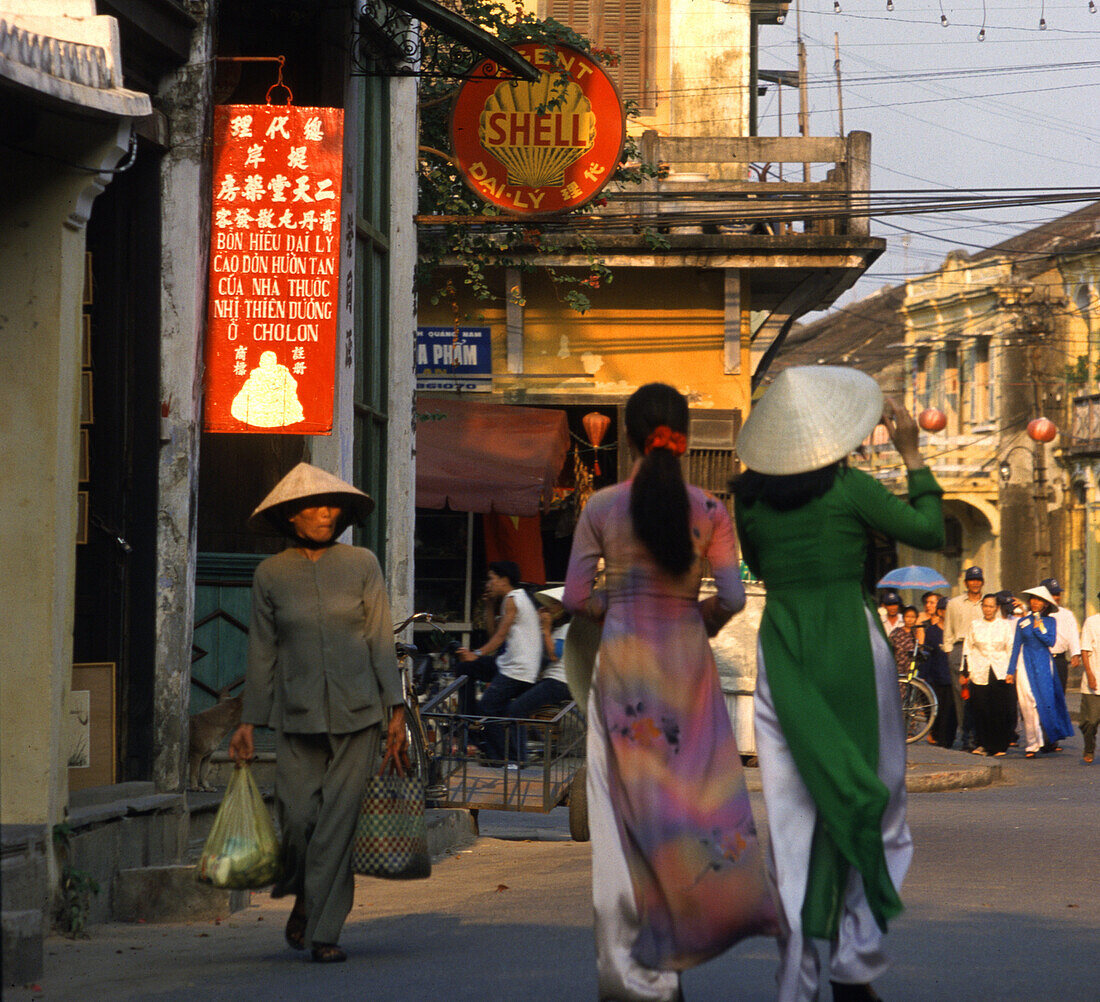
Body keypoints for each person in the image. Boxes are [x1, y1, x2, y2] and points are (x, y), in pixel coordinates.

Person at [732, 365, 944, 1002]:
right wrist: (911, 453)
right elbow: (930, 531)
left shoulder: (748, 501)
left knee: (793, 820)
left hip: (784, 648)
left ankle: (796, 981)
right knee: (877, 801)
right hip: (851, 645)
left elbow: (765, 565)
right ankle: (855, 960)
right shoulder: (850, 488)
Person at [563, 382, 776, 1002]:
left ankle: (631, 976)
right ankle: (679, 951)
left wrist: (619, 604)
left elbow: (576, 599)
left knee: (618, 823)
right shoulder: (710, 510)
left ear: (628, 437)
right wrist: (693, 617)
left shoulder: (601, 508)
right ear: (683, 438)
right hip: (687, 672)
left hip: (624, 674)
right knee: (689, 812)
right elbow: (734, 598)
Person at [228, 462, 406, 964]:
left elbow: (378, 638)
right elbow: (262, 652)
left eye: (331, 505)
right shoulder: (271, 575)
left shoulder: (363, 564)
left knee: (337, 823)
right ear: (290, 517)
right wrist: (247, 721)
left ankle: (325, 930)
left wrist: (395, 709)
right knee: (300, 816)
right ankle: (307, 892)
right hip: (296, 713)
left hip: (360, 712)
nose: (325, 512)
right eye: (313, 505)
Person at [457, 561, 542, 763]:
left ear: (504, 579)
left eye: (492, 578)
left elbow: (500, 636)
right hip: (507, 663)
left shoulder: (513, 599)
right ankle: (469, 718)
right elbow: (493, 633)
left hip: (517, 669)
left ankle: (502, 758)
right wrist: (488, 605)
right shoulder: (509, 600)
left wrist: (476, 653)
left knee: (487, 708)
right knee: (464, 667)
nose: (489, 583)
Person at [1006, 585, 1074, 759]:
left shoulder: (1051, 622)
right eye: (1033, 599)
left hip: (1043, 662)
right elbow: (1016, 647)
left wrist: (1038, 625)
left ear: (1045, 604)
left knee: (1041, 701)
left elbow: (1049, 641)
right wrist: (1010, 670)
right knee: (1026, 702)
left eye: (1039, 600)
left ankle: (1047, 737)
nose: (1035, 603)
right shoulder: (1022, 622)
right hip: (1024, 662)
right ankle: (1032, 744)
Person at [961, 595, 1016, 756]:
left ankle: (999, 745)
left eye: (991, 606)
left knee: (1000, 708)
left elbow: (1011, 648)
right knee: (981, 708)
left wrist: (1011, 671)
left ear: (997, 608)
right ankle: (983, 744)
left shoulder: (1004, 626)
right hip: (979, 670)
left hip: (1000, 670)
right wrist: (967, 671)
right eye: (985, 606)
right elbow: (968, 648)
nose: (988, 609)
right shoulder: (975, 625)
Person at [944, 566, 985, 751]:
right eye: (971, 580)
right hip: (960, 649)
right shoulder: (954, 603)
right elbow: (948, 632)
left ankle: (980, 735)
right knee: (961, 696)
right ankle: (965, 735)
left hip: (982, 651)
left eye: (978, 580)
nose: (975, 583)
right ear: (966, 583)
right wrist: (950, 653)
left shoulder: (988, 603)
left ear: (982, 582)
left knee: (981, 694)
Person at [919, 598, 957, 749]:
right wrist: (923, 675)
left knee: (951, 711)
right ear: (940, 612)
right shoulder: (932, 632)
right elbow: (927, 655)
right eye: (945, 610)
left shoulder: (956, 632)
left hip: (951, 677)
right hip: (935, 677)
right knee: (937, 711)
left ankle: (948, 740)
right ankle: (937, 737)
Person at [1042, 577, 1081, 695]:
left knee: (1058, 695)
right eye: (1052, 594)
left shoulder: (1067, 615)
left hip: (1059, 659)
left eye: (1057, 594)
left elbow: (1073, 634)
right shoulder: (1035, 615)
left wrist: (1075, 653)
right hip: (1041, 658)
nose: (1056, 598)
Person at [1076, 596, 1100, 764]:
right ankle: (1089, 748)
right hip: (1095, 678)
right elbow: (1084, 650)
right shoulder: (1092, 622)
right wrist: (1090, 675)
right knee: (1090, 721)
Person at [887, 606, 920, 674]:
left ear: (916, 618)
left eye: (913, 617)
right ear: (903, 617)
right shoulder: (896, 632)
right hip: (897, 667)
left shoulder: (918, 633)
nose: (910, 619)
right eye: (907, 616)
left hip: (912, 669)